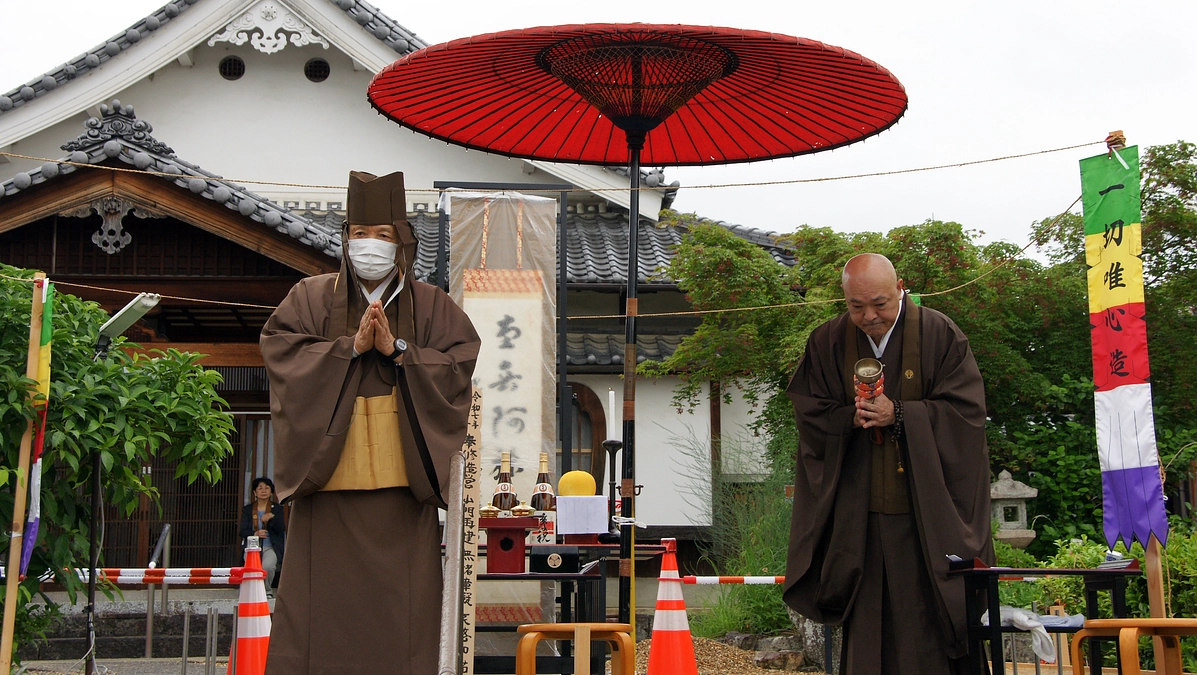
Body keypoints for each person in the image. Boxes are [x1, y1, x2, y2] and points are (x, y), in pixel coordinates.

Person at [260, 171, 480, 675]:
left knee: (403, 618)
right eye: (360, 233)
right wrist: (348, 349)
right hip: (328, 484)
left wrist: (399, 351)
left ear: (403, 241)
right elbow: (279, 351)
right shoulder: (310, 297)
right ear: (344, 238)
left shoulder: (431, 304)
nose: (370, 245)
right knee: (320, 611)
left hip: (403, 491)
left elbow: (458, 363)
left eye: (382, 235)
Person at [783, 253, 994, 674]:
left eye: (879, 303)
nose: (869, 316)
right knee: (869, 626)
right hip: (862, 517)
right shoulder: (827, 341)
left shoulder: (939, 333)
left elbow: (966, 415)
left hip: (928, 518)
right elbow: (810, 412)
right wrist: (849, 418)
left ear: (900, 287)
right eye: (856, 306)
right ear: (844, 299)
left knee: (934, 619)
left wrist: (900, 413)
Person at [239, 477, 285, 595]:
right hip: (252, 546)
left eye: (267, 488)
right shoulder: (248, 510)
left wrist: (272, 518)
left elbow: (281, 529)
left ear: (271, 492)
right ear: (255, 492)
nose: (263, 491)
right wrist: (255, 533)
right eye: (260, 488)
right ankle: (252, 594)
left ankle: (266, 592)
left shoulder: (277, 509)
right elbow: (242, 531)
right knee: (253, 569)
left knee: (267, 567)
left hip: (271, 546)